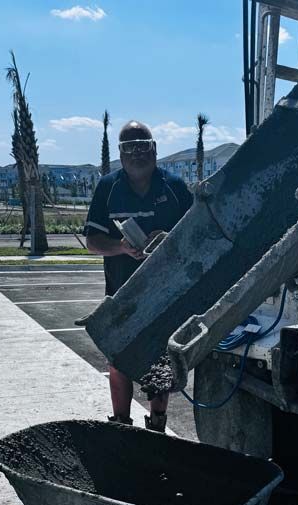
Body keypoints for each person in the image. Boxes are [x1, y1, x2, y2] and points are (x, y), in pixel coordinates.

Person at [84, 121, 192, 431]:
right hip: (121, 296)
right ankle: (121, 425)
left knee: (159, 360)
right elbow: (92, 241)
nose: (137, 153)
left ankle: (157, 426)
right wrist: (120, 246)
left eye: (143, 146)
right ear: (120, 154)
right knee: (118, 360)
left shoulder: (174, 187)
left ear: (155, 149)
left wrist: (168, 240)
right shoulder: (108, 188)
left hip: (165, 295)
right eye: (129, 148)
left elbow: (195, 233)